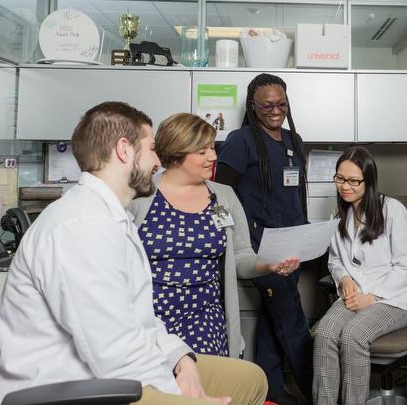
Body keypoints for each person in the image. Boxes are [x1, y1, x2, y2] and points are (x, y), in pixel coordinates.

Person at [0, 101, 267, 405]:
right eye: (151, 150)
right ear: (124, 150)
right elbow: (113, 352)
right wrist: (184, 395)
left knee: (251, 380)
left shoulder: (115, 218)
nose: (159, 162)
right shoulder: (83, 226)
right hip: (68, 386)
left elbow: (140, 319)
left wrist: (181, 360)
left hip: (114, 366)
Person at [127, 113, 299, 359]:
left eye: (212, 147)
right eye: (202, 151)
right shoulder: (138, 197)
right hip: (147, 317)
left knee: (207, 385)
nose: (213, 156)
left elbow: (240, 256)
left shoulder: (223, 196)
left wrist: (267, 265)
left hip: (205, 317)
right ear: (176, 155)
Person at [215, 73, 311, 405]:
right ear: (253, 106)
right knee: (292, 320)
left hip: (293, 241)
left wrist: (307, 230)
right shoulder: (241, 140)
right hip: (260, 247)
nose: (275, 110)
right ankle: (320, 392)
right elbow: (219, 194)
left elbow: (298, 192)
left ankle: (271, 391)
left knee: (273, 318)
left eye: (281, 103)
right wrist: (228, 240)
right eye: (266, 105)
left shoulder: (294, 140)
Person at [312, 147, 407, 405]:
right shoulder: (339, 214)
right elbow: (336, 259)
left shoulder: (392, 210)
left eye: (353, 181)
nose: (345, 186)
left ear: (368, 180)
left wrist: (371, 297)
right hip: (355, 293)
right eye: (340, 178)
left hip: (394, 298)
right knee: (324, 333)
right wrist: (344, 279)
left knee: (352, 336)